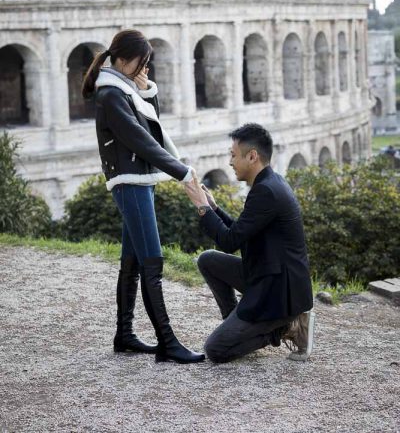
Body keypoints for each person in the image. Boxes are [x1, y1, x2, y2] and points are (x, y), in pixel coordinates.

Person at [82, 29, 204, 364]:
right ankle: (167, 343)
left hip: (139, 180)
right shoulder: (110, 95)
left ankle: (124, 334)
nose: (142, 68)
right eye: (141, 62)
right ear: (123, 59)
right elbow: (139, 139)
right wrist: (182, 172)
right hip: (130, 182)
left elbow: (152, 125)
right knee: (153, 260)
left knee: (134, 261)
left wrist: (146, 90)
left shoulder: (124, 92)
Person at [184, 123, 315, 363]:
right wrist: (213, 208)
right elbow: (240, 232)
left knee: (216, 350)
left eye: (233, 155)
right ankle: (236, 323)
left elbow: (229, 241)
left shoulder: (266, 191)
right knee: (208, 260)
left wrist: (202, 208)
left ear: (252, 156)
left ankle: (285, 327)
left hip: (279, 291)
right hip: (265, 274)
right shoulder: (269, 183)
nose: (230, 162)